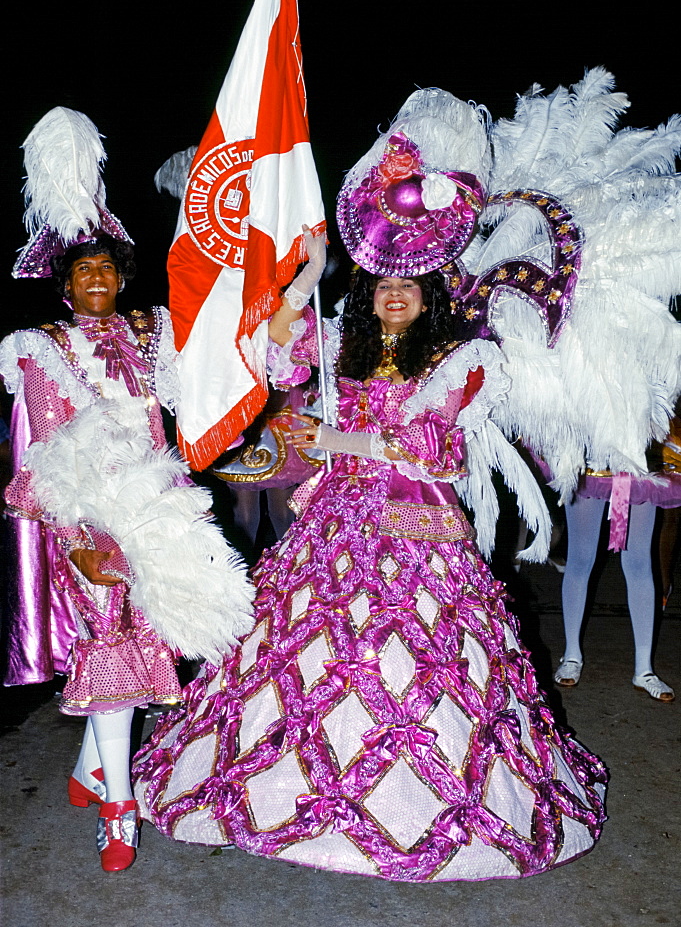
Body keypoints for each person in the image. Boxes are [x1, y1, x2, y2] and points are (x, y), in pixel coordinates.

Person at [132, 95, 607, 881]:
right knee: (303, 658)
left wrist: (337, 438)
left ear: (428, 300)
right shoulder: (339, 358)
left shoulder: (456, 363)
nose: (393, 294)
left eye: (409, 288)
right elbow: (272, 340)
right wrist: (310, 272)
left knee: (414, 665)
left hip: (418, 534)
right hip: (330, 527)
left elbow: (435, 451)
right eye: (382, 284)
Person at [0, 108, 254, 874]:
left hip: (166, 514)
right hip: (97, 522)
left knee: (155, 654)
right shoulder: (40, 350)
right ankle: (121, 813)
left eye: (109, 268)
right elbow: (46, 458)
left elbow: (200, 392)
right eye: (84, 271)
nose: (99, 279)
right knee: (113, 653)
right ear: (65, 286)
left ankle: (88, 768)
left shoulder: (152, 333)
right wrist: (79, 545)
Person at [554, 463, 681, 701]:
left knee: (639, 562)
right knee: (580, 558)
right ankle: (571, 655)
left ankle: (644, 670)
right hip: (591, 459)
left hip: (635, 464)